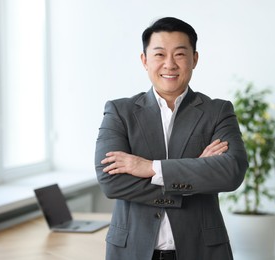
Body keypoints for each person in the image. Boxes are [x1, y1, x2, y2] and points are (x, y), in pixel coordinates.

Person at [95, 17, 248, 260]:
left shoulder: (218, 111)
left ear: (194, 59)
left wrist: (149, 168)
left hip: (201, 250)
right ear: (144, 60)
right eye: (159, 55)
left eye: (179, 54)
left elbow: (231, 172)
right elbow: (110, 182)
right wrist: (196, 172)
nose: (169, 64)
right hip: (133, 250)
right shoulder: (119, 112)